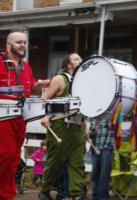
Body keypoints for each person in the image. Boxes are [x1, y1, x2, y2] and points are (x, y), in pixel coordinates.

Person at [0, 30, 49, 200]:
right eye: (18, 42)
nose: (22, 45)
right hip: (0, 115)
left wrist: (40, 85)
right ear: (8, 44)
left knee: (13, 158)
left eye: (24, 42)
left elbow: (31, 87)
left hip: (21, 117)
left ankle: (6, 195)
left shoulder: (25, 66)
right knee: (6, 153)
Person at [39, 53, 87, 200]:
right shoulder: (60, 79)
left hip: (77, 128)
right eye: (76, 59)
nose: (80, 60)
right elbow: (44, 98)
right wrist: (44, 116)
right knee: (54, 162)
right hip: (60, 126)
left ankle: (77, 194)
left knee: (77, 163)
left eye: (80, 58)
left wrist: (85, 125)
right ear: (68, 65)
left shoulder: (82, 83)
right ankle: (44, 191)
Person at [89, 116, 115, 200]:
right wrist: (91, 133)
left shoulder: (111, 116)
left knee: (104, 176)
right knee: (94, 175)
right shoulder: (93, 116)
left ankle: (103, 197)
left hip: (106, 150)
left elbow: (112, 132)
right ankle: (95, 197)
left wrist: (106, 148)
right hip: (95, 149)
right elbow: (91, 132)